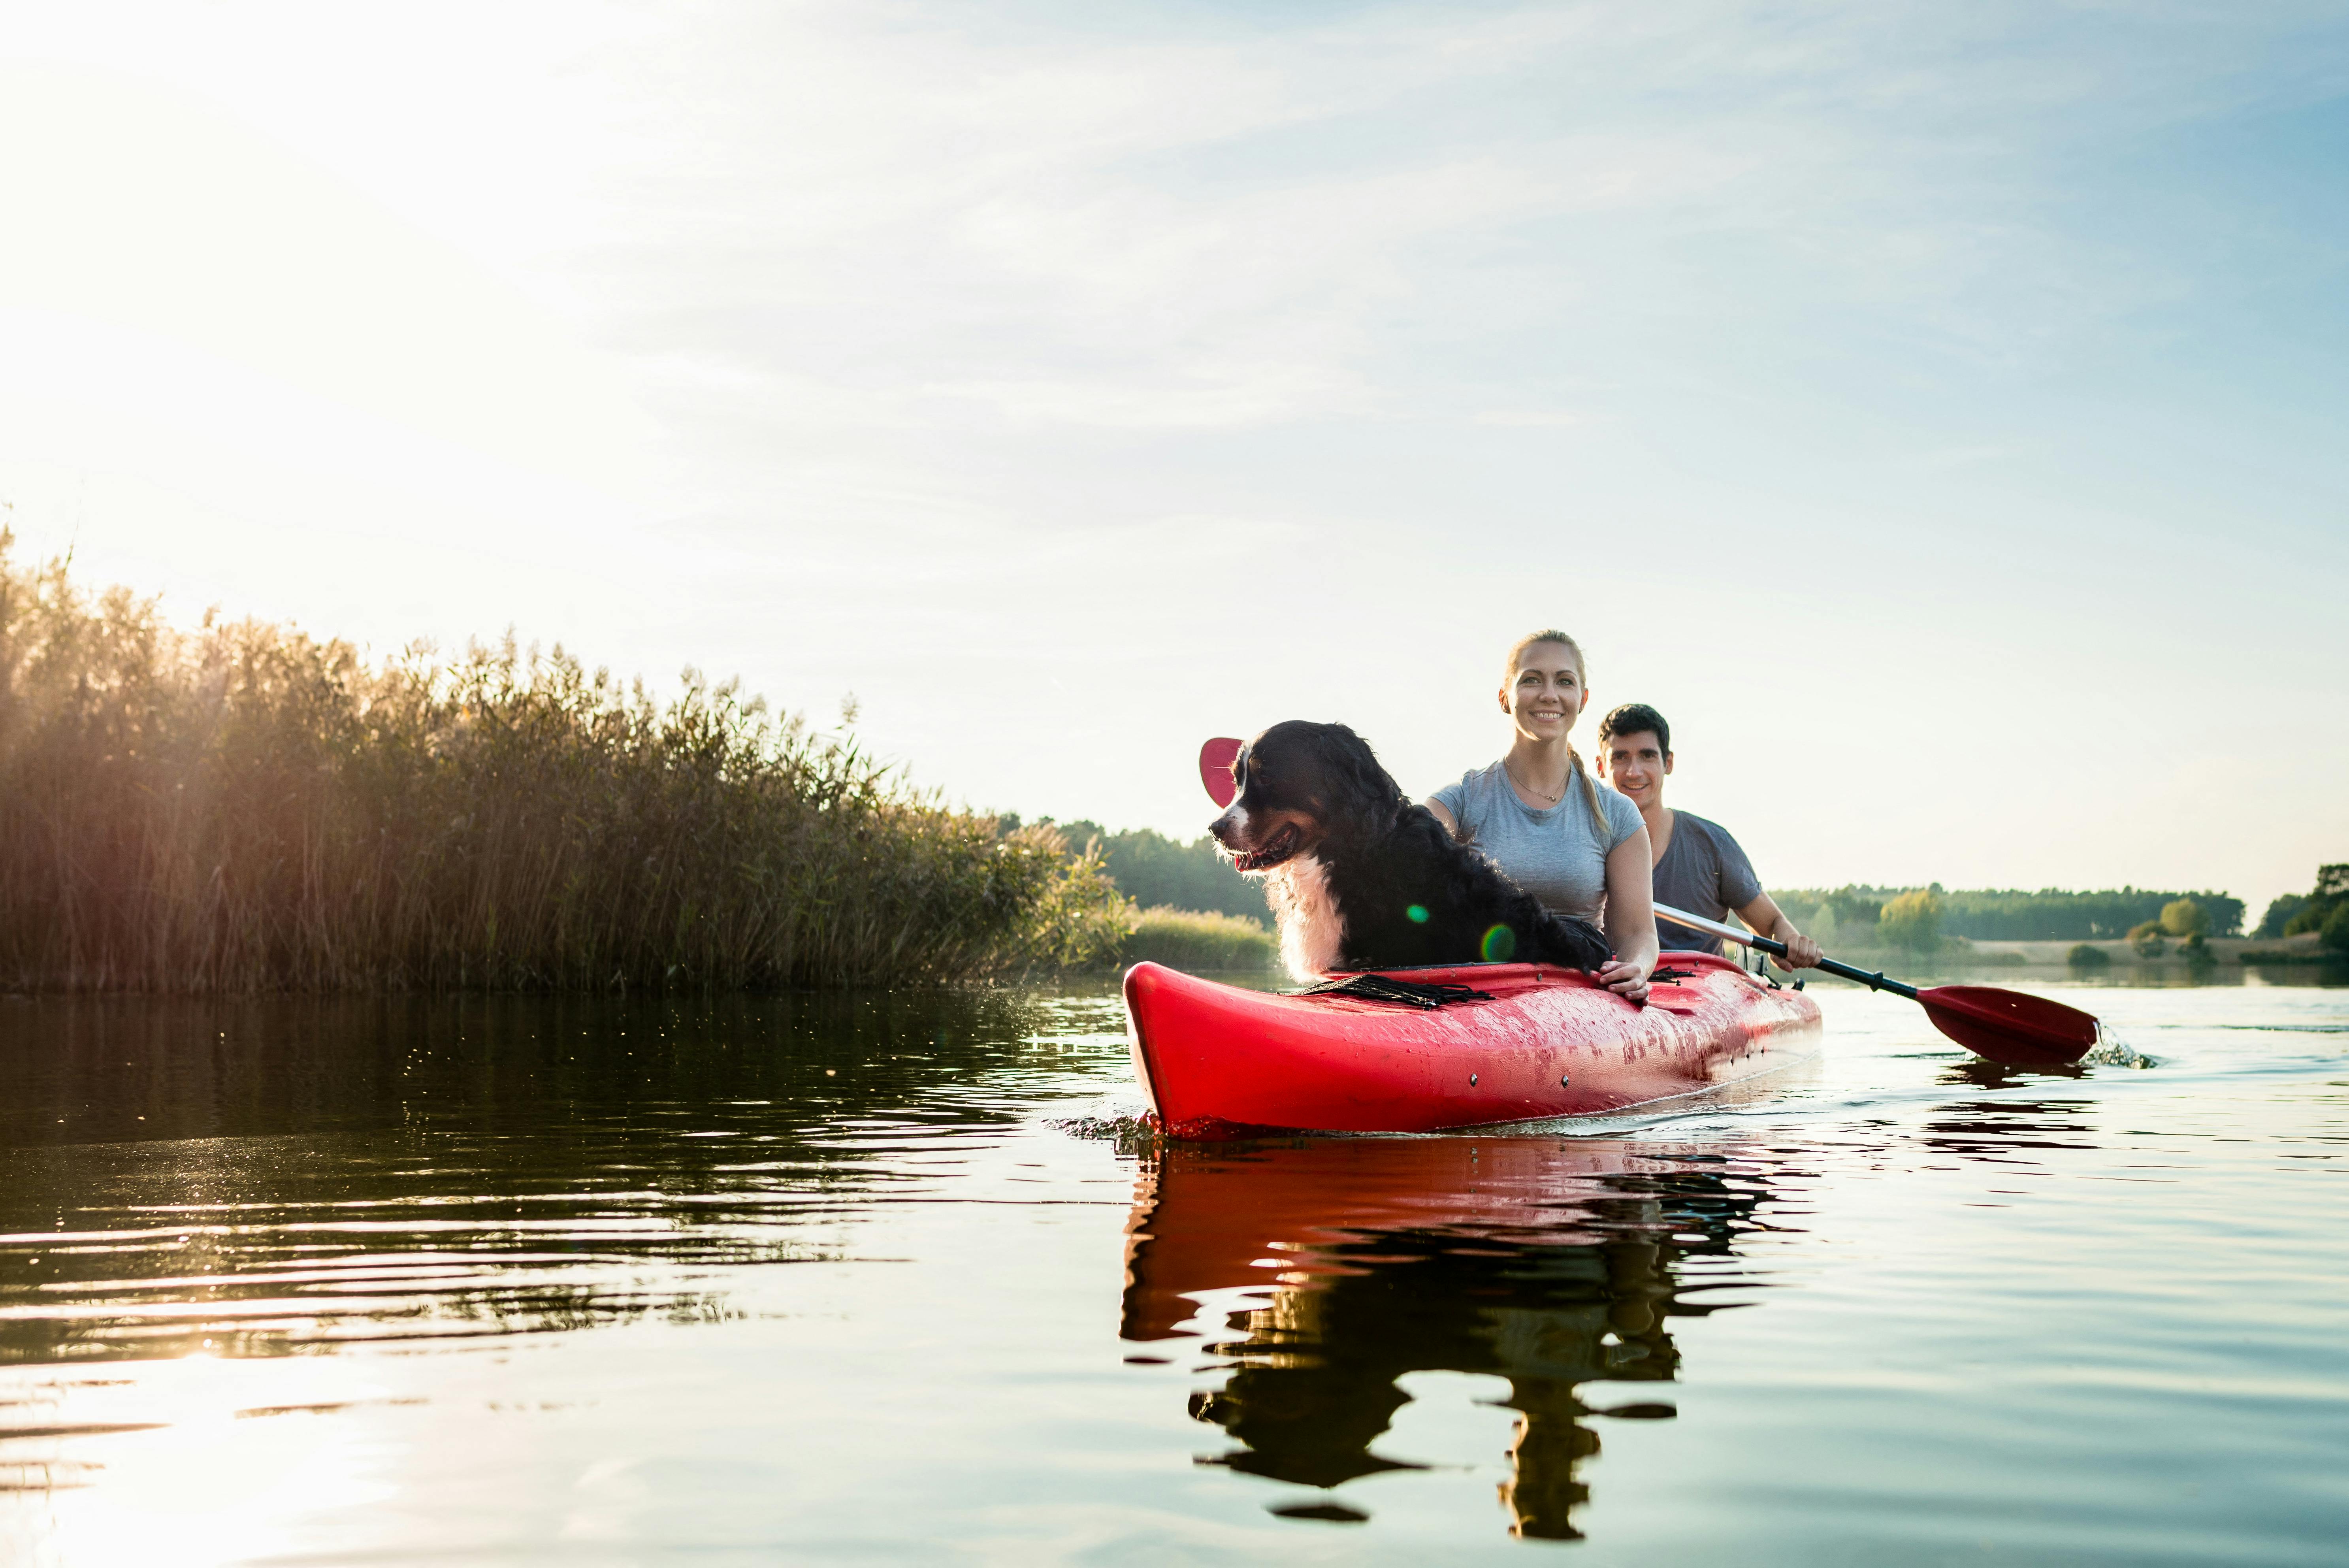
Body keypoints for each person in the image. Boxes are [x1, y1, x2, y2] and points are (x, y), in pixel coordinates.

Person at [1425, 630, 1657, 1002]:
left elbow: (1637, 934)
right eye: (1531, 680)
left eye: (1564, 682)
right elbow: (1407, 846)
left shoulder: (1617, 813)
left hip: (1577, 992)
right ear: (1505, 697)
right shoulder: (1463, 800)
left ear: (1581, 700)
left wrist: (1636, 968)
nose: (1549, 694)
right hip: (1483, 992)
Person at [1595, 702, 1823, 970]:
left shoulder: (1713, 844)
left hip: (1701, 1001)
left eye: (1647, 756)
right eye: (1620, 757)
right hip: (1610, 993)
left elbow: (1772, 925)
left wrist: (1789, 942)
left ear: (1668, 763)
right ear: (1600, 767)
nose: (1634, 771)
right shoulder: (1580, 843)